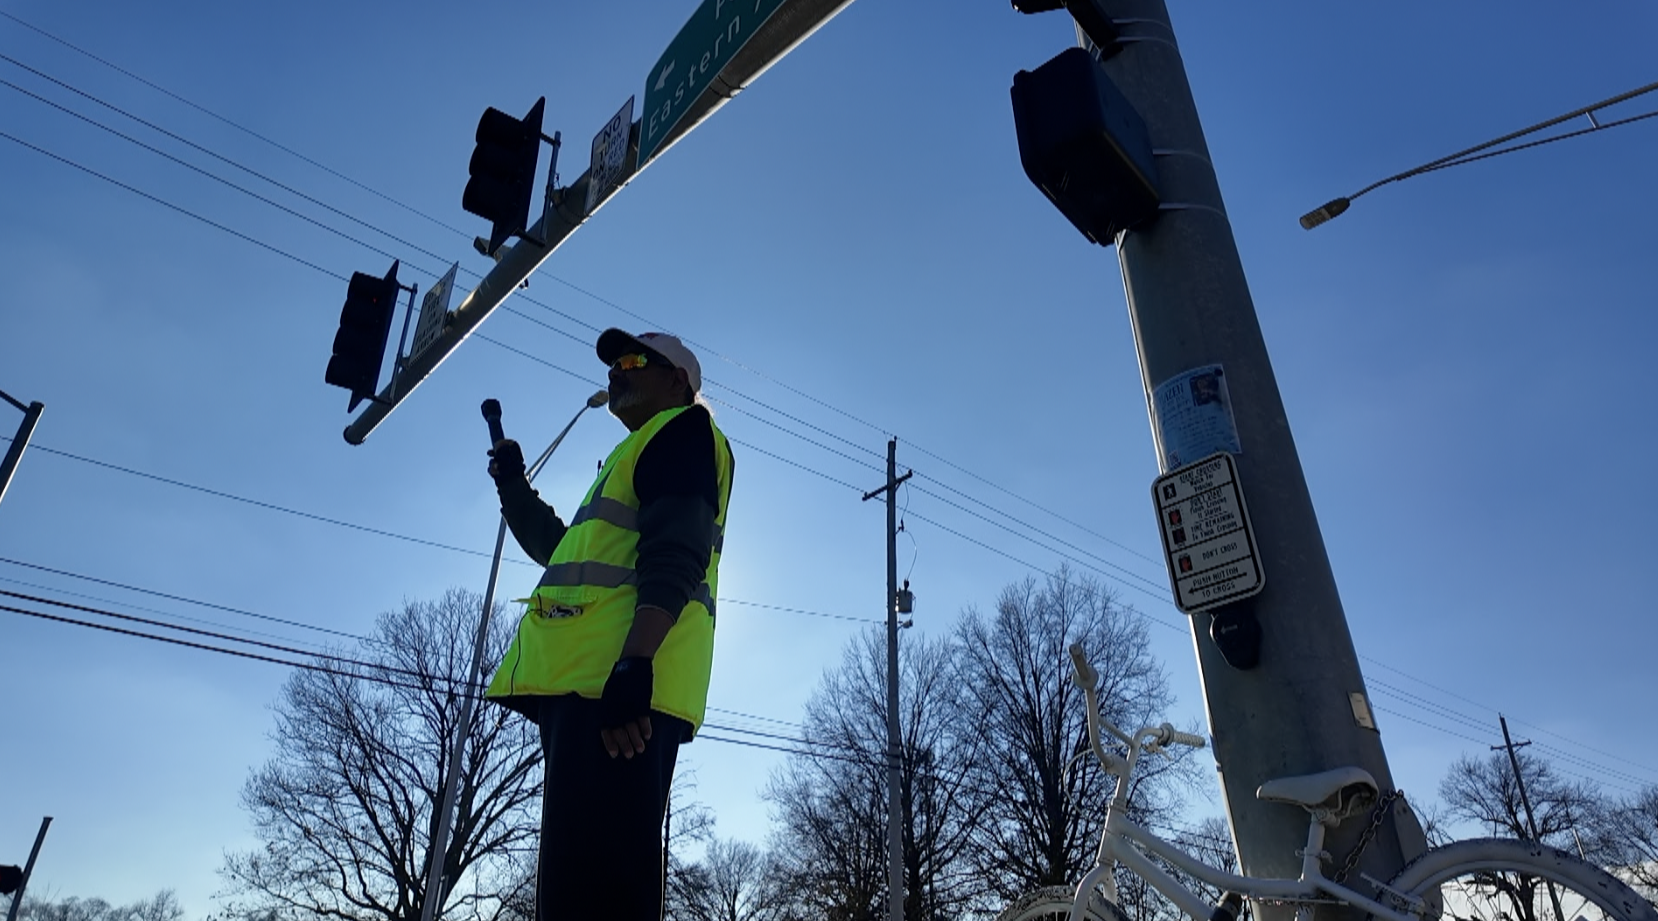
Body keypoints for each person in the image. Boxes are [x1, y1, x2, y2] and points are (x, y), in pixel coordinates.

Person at [483, 329, 735, 920]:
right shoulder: (636, 453)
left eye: (632, 360)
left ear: (678, 380)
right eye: (614, 363)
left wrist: (633, 667)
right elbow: (562, 550)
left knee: (597, 894)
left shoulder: (684, 431)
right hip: (598, 689)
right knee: (578, 893)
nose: (616, 371)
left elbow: (677, 554)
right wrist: (514, 488)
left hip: (619, 694)